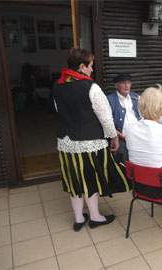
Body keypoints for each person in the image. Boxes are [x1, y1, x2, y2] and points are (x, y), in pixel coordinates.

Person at [53, 48, 129, 231]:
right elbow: (105, 117)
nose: (92, 70)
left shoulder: (57, 85)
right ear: (82, 66)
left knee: (74, 180)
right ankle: (95, 217)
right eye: (91, 66)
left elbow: (58, 111)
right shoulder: (91, 87)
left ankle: (79, 219)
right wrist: (114, 137)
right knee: (90, 178)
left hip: (66, 143)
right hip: (89, 143)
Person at [107, 74, 141, 162]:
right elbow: (106, 121)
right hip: (121, 137)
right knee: (121, 154)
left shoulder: (136, 97)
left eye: (128, 83)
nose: (126, 86)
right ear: (116, 85)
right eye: (123, 83)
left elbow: (143, 116)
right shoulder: (109, 100)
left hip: (139, 135)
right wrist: (116, 133)